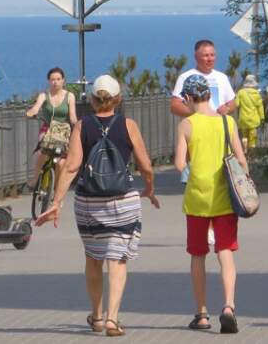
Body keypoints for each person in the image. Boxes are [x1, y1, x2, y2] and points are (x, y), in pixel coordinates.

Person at [36, 75, 160, 337]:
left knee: (93, 259)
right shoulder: (128, 125)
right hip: (122, 199)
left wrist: (56, 202)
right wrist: (148, 188)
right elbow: (146, 166)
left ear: (92, 100)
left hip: (89, 201)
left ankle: (97, 316)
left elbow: (71, 166)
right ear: (118, 99)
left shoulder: (82, 126)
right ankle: (113, 319)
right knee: (117, 260)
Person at [175, 73, 248, 334]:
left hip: (197, 198)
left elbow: (180, 164)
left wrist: (193, 170)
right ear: (209, 94)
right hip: (225, 199)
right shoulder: (228, 122)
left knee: (198, 255)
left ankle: (202, 313)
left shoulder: (186, 125)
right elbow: (240, 159)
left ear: (188, 98)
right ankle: (228, 305)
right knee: (225, 252)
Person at [24, 66, 78, 189]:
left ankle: (57, 188)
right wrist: (31, 112)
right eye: (52, 79)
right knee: (42, 152)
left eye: (58, 79)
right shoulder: (44, 96)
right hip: (47, 128)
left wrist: (78, 124)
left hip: (63, 131)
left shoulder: (70, 96)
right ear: (49, 81)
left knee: (61, 163)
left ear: (63, 80)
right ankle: (35, 179)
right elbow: (36, 107)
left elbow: (73, 116)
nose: (55, 82)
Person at [170, 40, 237, 117]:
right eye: (206, 55)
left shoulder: (222, 77)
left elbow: (232, 103)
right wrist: (198, 115)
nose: (210, 59)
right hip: (197, 127)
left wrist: (227, 109)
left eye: (212, 55)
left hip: (219, 126)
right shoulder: (185, 77)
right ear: (196, 57)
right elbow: (175, 106)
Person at [235, 74, 266, 153]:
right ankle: (251, 152)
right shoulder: (257, 94)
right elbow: (260, 107)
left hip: (243, 119)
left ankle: (244, 150)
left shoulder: (240, 92)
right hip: (254, 120)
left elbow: (236, 104)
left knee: (244, 136)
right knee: (252, 137)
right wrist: (262, 117)